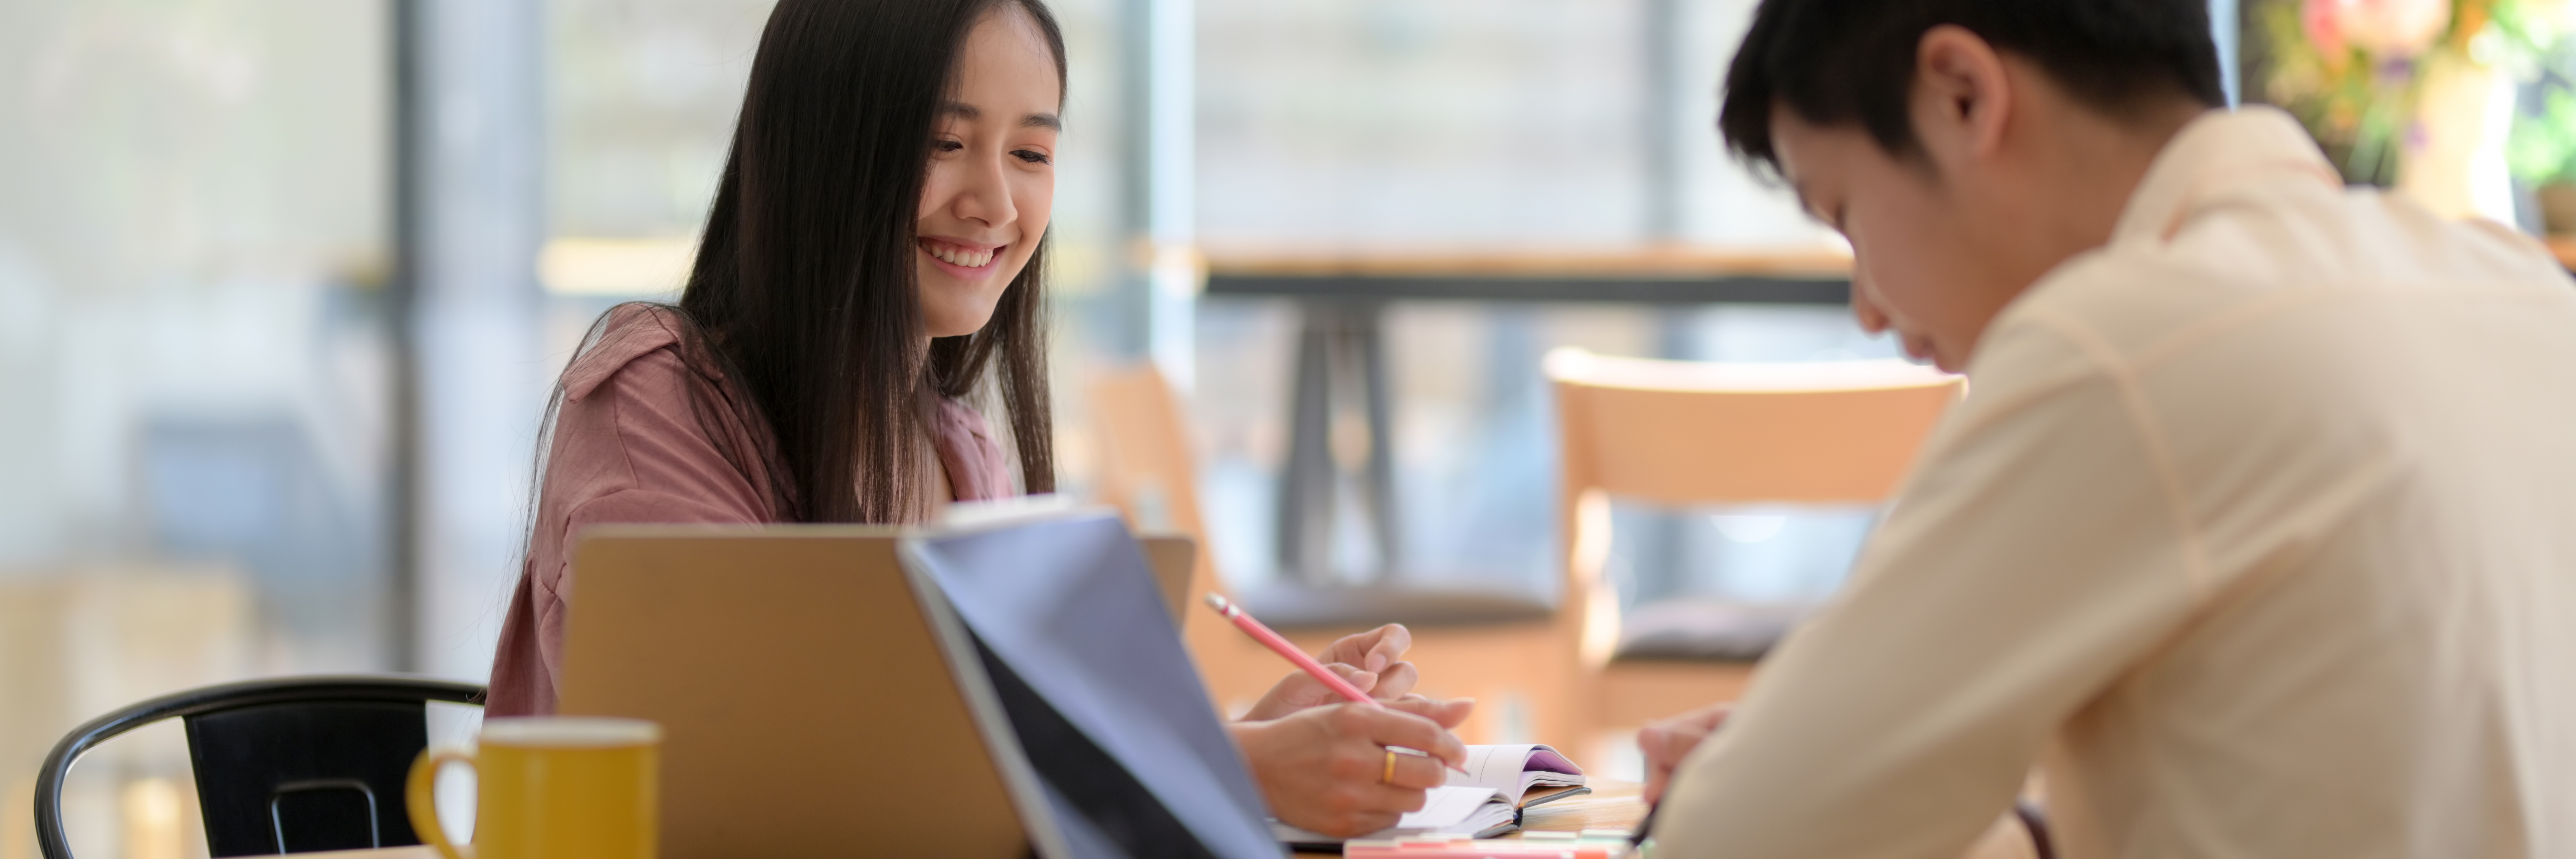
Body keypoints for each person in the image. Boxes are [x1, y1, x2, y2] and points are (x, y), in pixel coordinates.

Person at [480, 0, 1469, 836]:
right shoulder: (659, 398)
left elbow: (975, 788)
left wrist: (1222, 742)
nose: (994, 200)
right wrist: (1228, 770)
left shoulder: (964, 456)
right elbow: (746, 790)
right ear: (824, 150)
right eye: (944, 144)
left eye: (1031, 152)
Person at [1638, 0, 2576, 855]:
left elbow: (1741, 839)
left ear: (1962, 95)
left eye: (1845, 216)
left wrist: (1779, 774)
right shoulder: (2520, 293)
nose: (1869, 309)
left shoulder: (2123, 343)